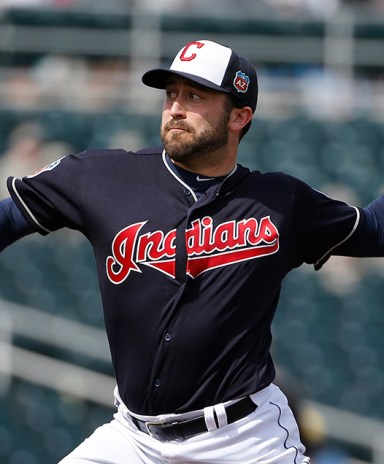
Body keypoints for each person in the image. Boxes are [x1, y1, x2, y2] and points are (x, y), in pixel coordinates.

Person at [1, 39, 383, 463]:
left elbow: (376, 230)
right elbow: (7, 219)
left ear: (240, 116)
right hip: (133, 440)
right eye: (171, 94)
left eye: (195, 96)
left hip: (244, 441)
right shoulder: (101, 177)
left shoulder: (281, 201)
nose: (176, 108)